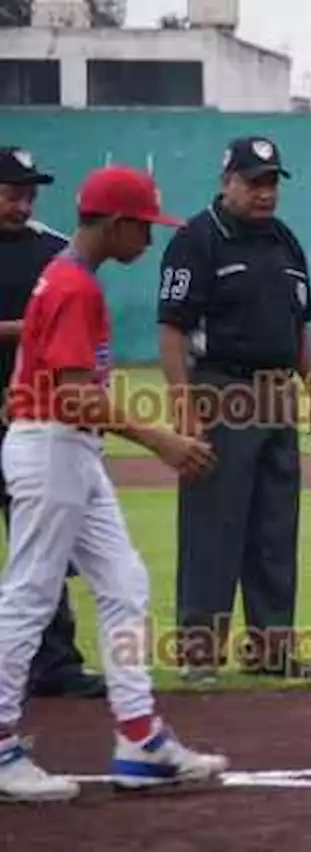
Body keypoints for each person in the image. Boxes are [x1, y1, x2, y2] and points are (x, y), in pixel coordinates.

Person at [0, 165, 228, 802]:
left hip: (64, 448)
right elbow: (75, 397)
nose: (149, 241)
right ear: (117, 223)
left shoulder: (67, 277)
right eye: (144, 227)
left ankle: (140, 739)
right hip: (52, 446)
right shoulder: (74, 286)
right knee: (29, 594)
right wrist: (161, 439)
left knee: (124, 585)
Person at [157, 136, 311, 683]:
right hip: (220, 394)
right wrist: (183, 405)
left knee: (276, 528)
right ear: (227, 181)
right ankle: (200, 652)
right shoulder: (197, 239)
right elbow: (171, 328)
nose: (266, 192)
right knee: (214, 525)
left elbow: (300, 327)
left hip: (277, 396)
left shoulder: (286, 242)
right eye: (255, 181)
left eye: (273, 182)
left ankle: (271, 648)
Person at [0, 146, 105, 700]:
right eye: (12, 193)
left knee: (45, 546)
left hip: (36, 415)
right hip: (28, 411)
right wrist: (30, 329)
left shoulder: (52, 251)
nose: (23, 204)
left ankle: (56, 662)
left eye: (29, 194)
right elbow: (48, 328)